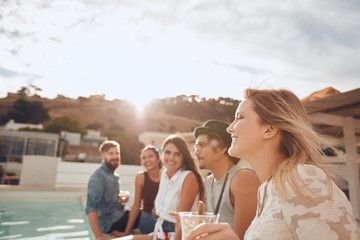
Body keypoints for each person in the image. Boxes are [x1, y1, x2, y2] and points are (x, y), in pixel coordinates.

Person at [186, 89, 360, 240]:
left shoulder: (301, 178)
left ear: (269, 129)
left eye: (239, 117)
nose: (230, 128)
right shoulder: (267, 189)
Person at [117, 134, 205, 240]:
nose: (171, 158)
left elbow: (181, 221)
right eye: (167, 152)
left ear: (183, 157)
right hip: (159, 229)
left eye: (177, 154)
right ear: (162, 154)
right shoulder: (163, 173)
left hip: (176, 234)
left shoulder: (189, 177)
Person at [193, 120, 260, 239]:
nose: (196, 152)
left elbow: (242, 237)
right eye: (196, 147)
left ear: (221, 147)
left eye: (201, 146)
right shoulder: (209, 181)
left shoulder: (243, 178)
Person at [86, 140, 131, 240]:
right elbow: (91, 207)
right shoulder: (98, 177)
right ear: (103, 156)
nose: (115, 156)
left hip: (118, 214)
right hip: (110, 223)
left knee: (140, 213)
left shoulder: (114, 175)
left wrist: (120, 199)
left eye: (117, 153)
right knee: (144, 216)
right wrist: (98, 236)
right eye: (111, 153)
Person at [114, 145, 161, 237]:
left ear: (158, 158)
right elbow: (136, 206)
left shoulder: (166, 175)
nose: (147, 160)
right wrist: (126, 232)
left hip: (165, 218)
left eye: (150, 156)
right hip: (148, 218)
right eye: (144, 158)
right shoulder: (141, 177)